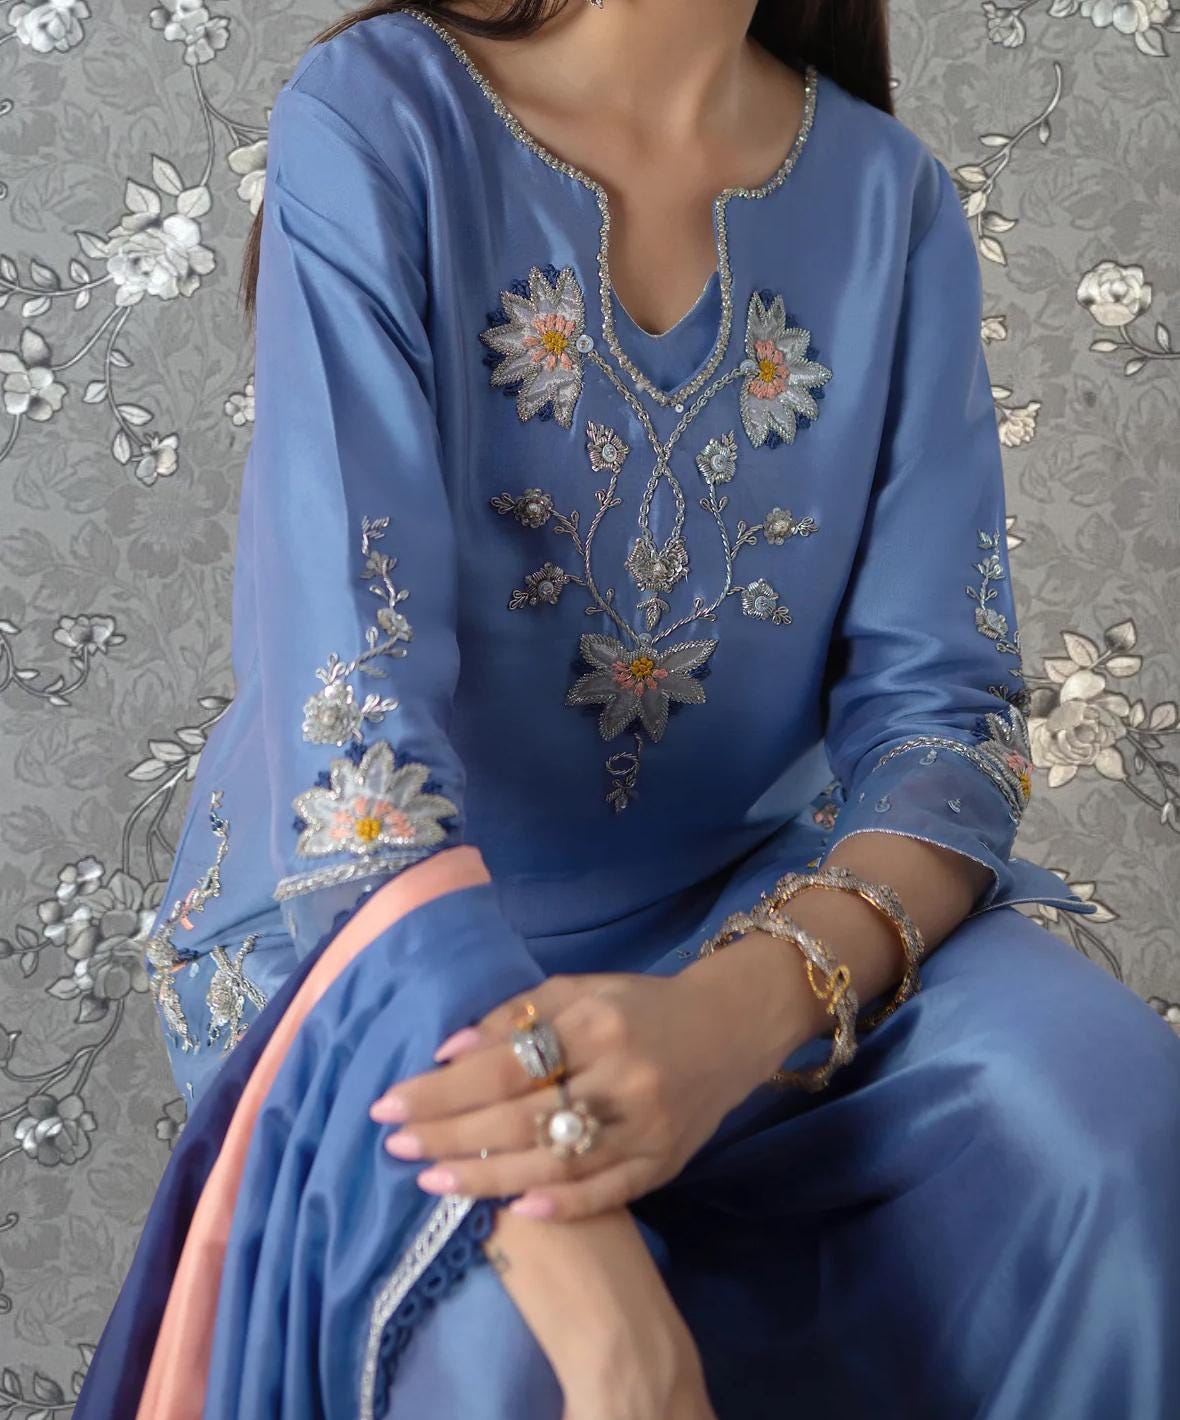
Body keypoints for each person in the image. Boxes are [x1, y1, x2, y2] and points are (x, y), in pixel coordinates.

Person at [74, 2, 1180, 1417]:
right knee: (512, 1354)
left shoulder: (888, 203)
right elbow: (352, 749)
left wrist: (732, 1021)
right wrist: (588, 1273)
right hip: (376, 932)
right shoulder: (377, 120)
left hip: (746, 913)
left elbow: (942, 724)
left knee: (1108, 1113)